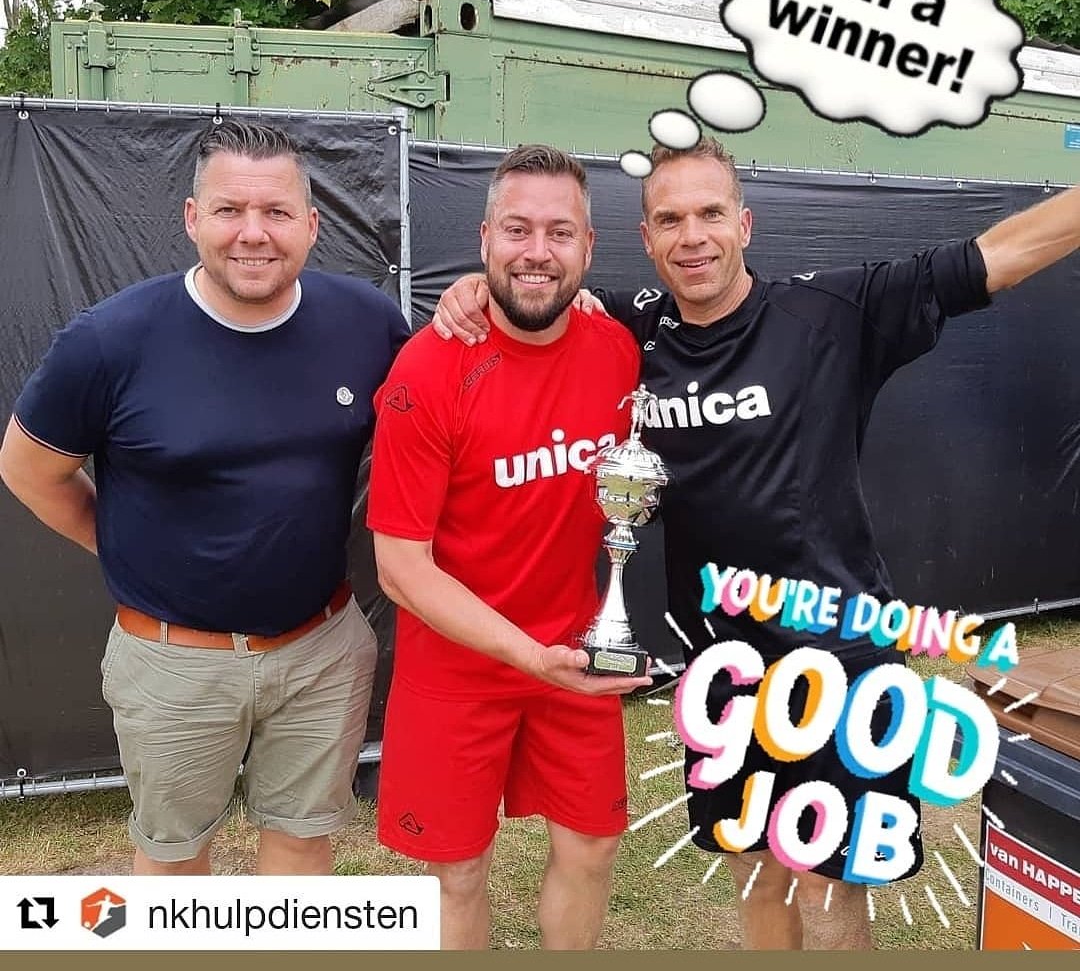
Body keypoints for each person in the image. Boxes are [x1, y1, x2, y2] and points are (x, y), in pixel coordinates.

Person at [431, 137, 1080, 949]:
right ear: (647, 237)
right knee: (754, 872)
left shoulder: (834, 315)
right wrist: (468, 291)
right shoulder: (629, 331)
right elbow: (532, 289)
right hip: (720, 671)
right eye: (670, 218)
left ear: (745, 223)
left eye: (710, 214)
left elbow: (1004, 254)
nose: (692, 235)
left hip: (839, 663)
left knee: (828, 890)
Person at [0, 120, 410, 876]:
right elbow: (27, 469)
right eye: (229, 210)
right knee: (175, 855)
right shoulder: (109, 342)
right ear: (193, 219)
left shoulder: (369, 323)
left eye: (277, 213)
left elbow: (446, 405)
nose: (253, 234)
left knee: (301, 839)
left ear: (312, 226)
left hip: (322, 649)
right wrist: (118, 543)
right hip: (173, 662)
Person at [366, 144, 651, 950]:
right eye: (518, 230)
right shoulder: (426, 369)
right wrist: (526, 655)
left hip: (575, 649)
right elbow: (399, 566)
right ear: (486, 238)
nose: (537, 252)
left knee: (592, 844)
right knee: (460, 872)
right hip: (457, 668)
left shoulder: (615, 350)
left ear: (589, 250)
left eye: (560, 233)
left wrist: (551, 655)